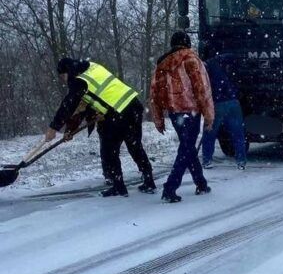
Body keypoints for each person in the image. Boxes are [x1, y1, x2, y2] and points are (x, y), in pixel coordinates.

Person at [46, 58, 156, 197]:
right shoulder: (93, 67)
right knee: (135, 147)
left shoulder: (79, 80)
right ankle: (149, 181)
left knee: (109, 151)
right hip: (133, 107)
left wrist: (53, 128)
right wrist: (70, 130)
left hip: (117, 114)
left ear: (67, 71)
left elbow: (70, 104)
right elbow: (89, 103)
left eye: (62, 76)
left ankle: (118, 186)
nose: (63, 80)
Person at [150, 31, 215, 203]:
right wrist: (209, 114)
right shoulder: (191, 60)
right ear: (187, 43)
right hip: (191, 110)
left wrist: (158, 117)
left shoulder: (162, 64)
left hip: (174, 112)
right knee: (186, 149)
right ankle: (170, 187)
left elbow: (154, 92)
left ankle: (201, 182)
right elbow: (202, 89)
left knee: (188, 148)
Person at [201, 55, 247, 169]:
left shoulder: (205, 68)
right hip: (233, 101)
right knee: (238, 134)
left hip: (217, 103)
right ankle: (241, 161)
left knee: (209, 133)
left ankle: (207, 160)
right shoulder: (223, 63)